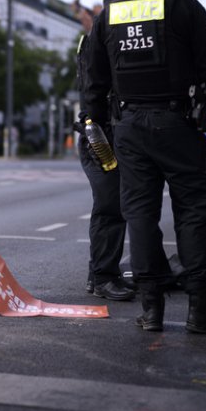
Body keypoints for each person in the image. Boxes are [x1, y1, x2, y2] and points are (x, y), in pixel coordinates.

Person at [83, 0, 206, 334]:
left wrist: (95, 125)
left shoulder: (110, 10)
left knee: (139, 216)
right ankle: (201, 310)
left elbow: (93, 76)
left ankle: (151, 311)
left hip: (128, 129)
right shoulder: (183, 3)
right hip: (177, 125)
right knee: (195, 212)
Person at [74, 34, 135, 302]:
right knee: (110, 207)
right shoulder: (100, 40)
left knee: (115, 207)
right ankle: (103, 278)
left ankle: (100, 274)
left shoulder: (100, 39)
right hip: (99, 137)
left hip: (108, 134)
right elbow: (94, 93)